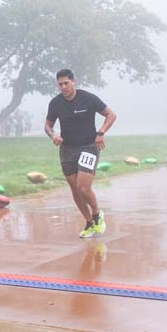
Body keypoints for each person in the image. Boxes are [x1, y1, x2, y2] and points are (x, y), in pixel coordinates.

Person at [44, 69, 117, 238]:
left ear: (73, 81)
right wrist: (53, 135)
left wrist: (101, 133)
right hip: (67, 149)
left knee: (82, 187)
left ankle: (97, 214)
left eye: (66, 83)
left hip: (88, 147)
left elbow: (111, 115)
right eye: (60, 84)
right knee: (75, 190)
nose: (63, 87)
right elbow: (48, 125)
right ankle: (90, 223)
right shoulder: (55, 103)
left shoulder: (88, 98)